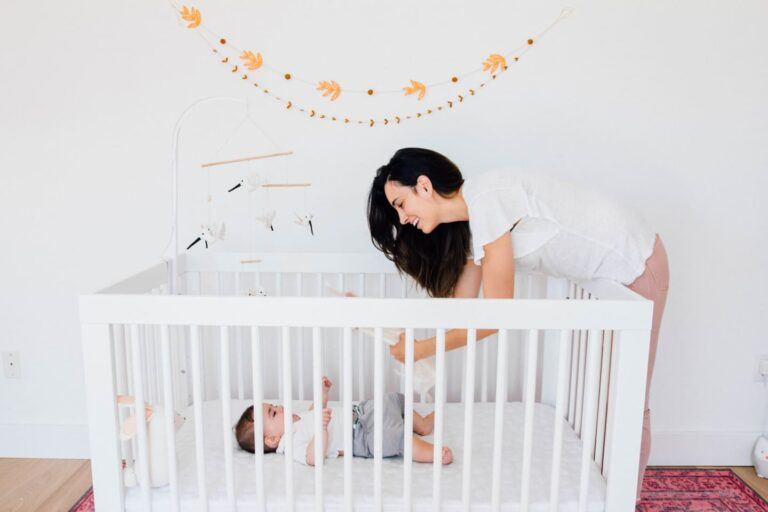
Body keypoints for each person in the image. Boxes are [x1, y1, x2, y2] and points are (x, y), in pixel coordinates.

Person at [366, 147, 669, 501]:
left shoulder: (487, 199)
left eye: (401, 204)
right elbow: (463, 315)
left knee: (628, 399)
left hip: (637, 265)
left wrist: (419, 350)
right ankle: (608, 497)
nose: (401, 219)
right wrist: (405, 340)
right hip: (606, 281)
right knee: (606, 396)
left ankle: (625, 503)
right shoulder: (474, 226)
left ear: (424, 186)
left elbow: (497, 317)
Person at [235, 376, 453, 466]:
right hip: (361, 437)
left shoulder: (296, 419)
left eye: (274, 406)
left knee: (392, 400)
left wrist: (323, 393)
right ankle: (431, 453)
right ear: (272, 439)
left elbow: (316, 410)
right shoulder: (291, 444)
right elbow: (313, 457)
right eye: (273, 413)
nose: (279, 407)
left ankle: (422, 424)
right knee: (394, 438)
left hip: (361, 412)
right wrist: (321, 429)